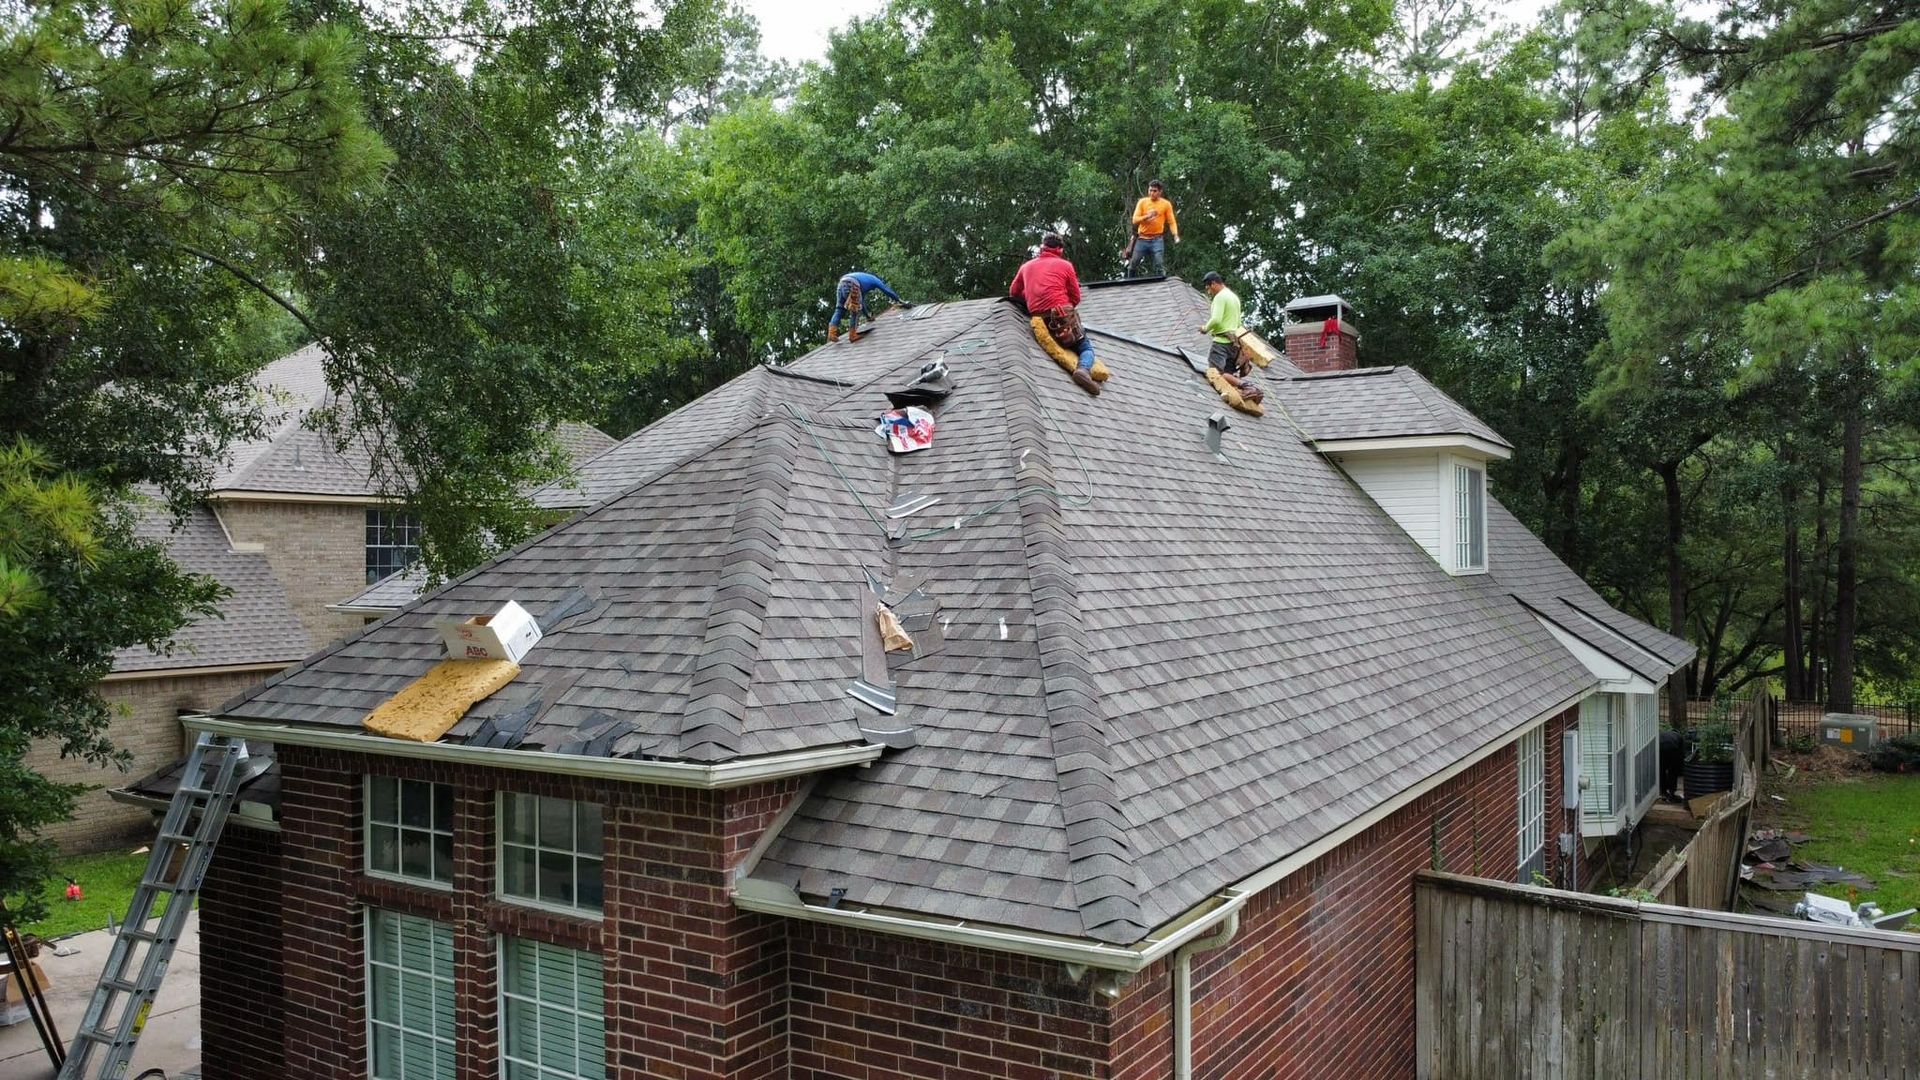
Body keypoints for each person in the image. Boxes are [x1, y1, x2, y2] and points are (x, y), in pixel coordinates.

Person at [1010, 233, 1101, 395]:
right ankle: (1083, 370)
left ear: (1042, 248)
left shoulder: (1026, 267)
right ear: (1060, 249)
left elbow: (1014, 292)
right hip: (1063, 318)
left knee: (1073, 340)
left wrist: (1032, 296)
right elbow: (1076, 297)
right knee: (1085, 348)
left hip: (1040, 319)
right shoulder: (1065, 265)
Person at [1199, 271, 1261, 404]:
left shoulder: (1220, 297)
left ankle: (1248, 387)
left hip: (1221, 342)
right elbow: (1238, 323)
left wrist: (1205, 328)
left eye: (1208, 286)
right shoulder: (1234, 297)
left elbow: (1216, 319)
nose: (1207, 290)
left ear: (1214, 283)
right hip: (1234, 344)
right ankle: (1244, 390)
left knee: (1216, 373)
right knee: (1228, 373)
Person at [829, 271, 908, 342]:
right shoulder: (875, 279)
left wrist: (868, 317)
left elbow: (862, 303)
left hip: (841, 283)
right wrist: (899, 300)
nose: (873, 290)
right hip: (852, 284)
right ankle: (852, 335)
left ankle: (832, 333)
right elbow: (886, 290)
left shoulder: (863, 280)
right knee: (855, 310)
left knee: (839, 309)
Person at [1127, 179, 1180, 278]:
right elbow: (1135, 220)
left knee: (1159, 263)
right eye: (1150, 190)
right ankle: (1129, 283)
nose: (1151, 193)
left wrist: (1175, 234)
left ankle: (1162, 285)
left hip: (1157, 239)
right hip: (1142, 238)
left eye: (1154, 191)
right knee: (1134, 263)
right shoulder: (1142, 202)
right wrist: (1147, 216)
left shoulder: (1166, 204)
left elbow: (1172, 221)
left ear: (1160, 192)